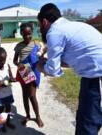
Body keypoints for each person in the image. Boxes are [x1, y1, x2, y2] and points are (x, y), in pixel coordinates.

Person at [37, 3, 102, 135]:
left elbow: (53, 71)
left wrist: (40, 66)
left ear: (44, 22)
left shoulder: (54, 32)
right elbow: (76, 59)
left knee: (86, 126)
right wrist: (51, 62)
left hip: (96, 80)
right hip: (93, 77)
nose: (40, 29)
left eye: (39, 25)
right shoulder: (75, 26)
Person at [13, 22, 44, 127]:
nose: (27, 36)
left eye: (29, 34)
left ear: (32, 32)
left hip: (34, 72)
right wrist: (19, 64)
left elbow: (41, 57)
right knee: (25, 95)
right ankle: (27, 115)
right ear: (21, 33)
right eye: (25, 34)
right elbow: (14, 60)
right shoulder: (19, 46)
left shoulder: (36, 44)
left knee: (32, 95)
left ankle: (38, 116)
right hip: (24, 71)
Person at [0, 47, 15, 132]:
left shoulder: (7, 66)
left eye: (4, 60)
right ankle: (0, 124)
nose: (3, 62)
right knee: (1, 110)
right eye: (0, 60)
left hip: (8, 93)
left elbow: (11, 76)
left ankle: (7, 122)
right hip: (0, 95)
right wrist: (1, 84)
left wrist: (13, 79)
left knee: (8, 108)